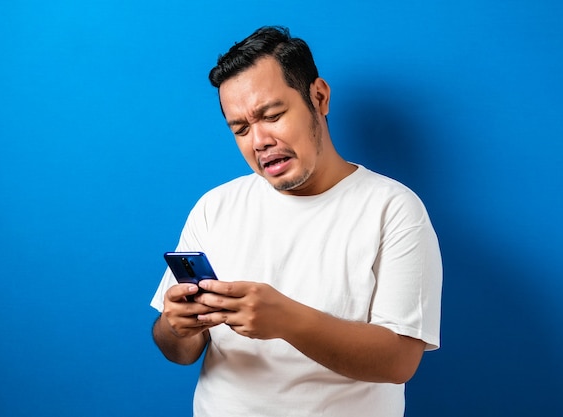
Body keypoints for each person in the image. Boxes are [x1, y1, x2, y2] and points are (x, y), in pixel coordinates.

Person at [151, 26, 442, 417]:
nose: (258, 141)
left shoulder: (394, 209)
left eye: (271, 115)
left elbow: (399, 362)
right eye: (240, 129)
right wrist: (177, 326)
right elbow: (180, 352)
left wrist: (286, 319)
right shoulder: (213, 207)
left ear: (318, 97)